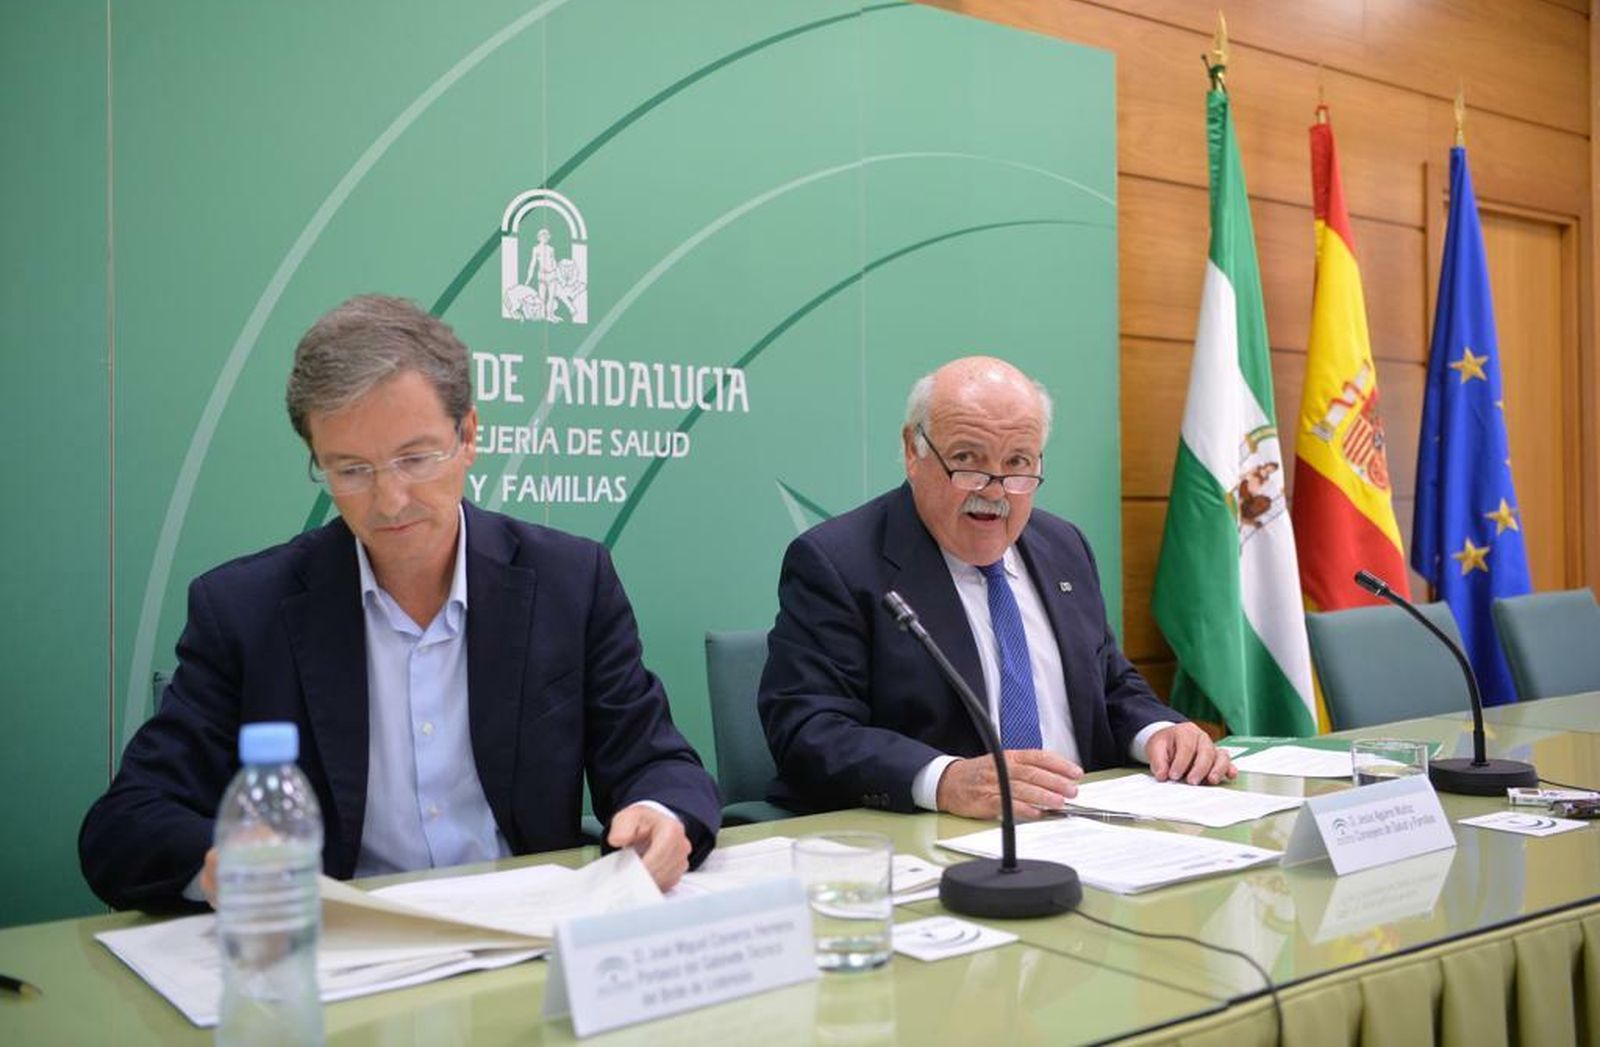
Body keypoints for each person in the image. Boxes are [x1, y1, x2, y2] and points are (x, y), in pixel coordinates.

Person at [80, 294, 719, 912]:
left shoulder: (568, 581)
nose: (389, 501)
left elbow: (656, 760)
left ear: (467, 435)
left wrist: (660, 815)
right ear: (318, 461)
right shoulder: (246, 611)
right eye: (351, 470)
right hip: (344, 951)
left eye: (415, 458)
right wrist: (224, 865)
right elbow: (125, 825)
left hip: (525, 935)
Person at [758, 356, 1234, 820]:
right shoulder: (838, 563)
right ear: (913, 451)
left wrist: (1159, 731)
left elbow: (1109, 683)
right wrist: (943, 780)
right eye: (967, 460)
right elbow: (809, 729)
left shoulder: (1063, 546)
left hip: (1091, 823)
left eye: (1018, 463)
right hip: (937, 840)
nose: (995, 489)